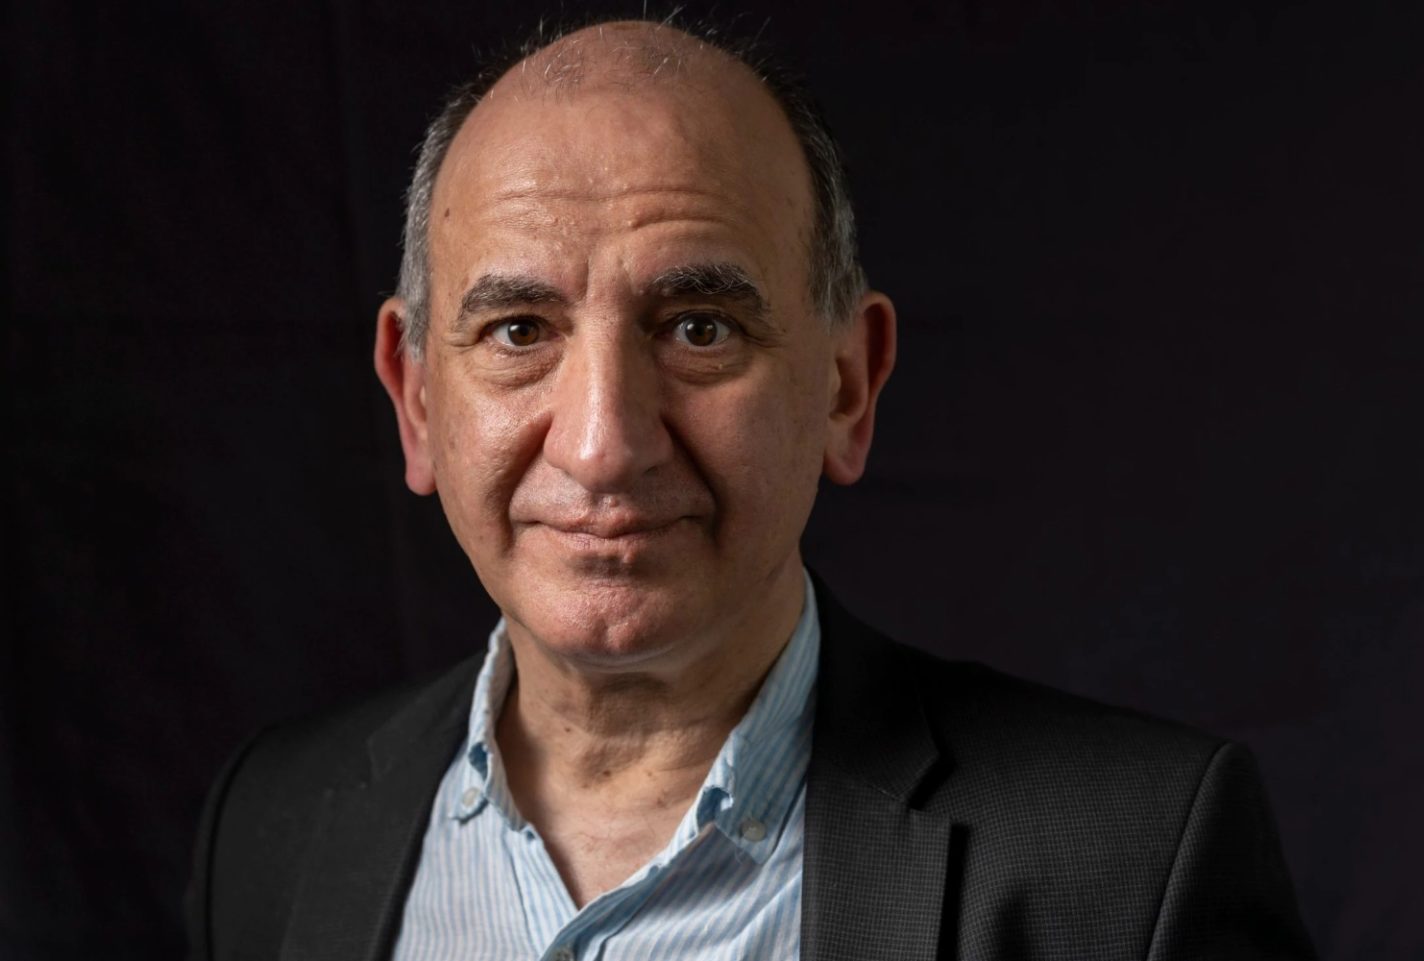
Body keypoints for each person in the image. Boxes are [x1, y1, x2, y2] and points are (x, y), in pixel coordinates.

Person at [185, 17, 1314, 961]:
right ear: (418, 399)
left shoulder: (1131, 871)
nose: (603, 446)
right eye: (519, 330)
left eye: (698, 327)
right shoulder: (271, 830)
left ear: (846, 386)